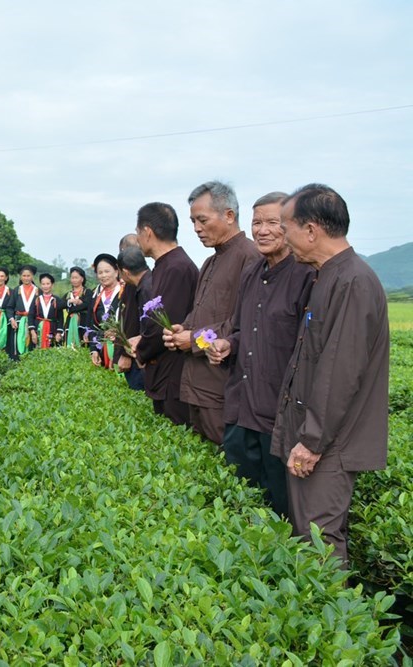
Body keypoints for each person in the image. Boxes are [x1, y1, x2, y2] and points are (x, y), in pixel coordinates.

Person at [270, 184, 389, 567]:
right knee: (306, 533)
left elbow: (340, 371)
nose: (283, 238)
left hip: (331, 442)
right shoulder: (328, 276)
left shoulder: (352, 281)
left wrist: (311, 440)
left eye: (286, 228)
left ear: (311, 230)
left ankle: (334, 620)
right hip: (318, 435)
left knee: (319, 538)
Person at [204, 193, 314, 517]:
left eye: (272, 222)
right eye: (256, 222)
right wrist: (228, 345)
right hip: (241, 409)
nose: (262, 230)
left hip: (278, 418)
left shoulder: (305, 276)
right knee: (244, 504)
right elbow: (241, 330)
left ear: (290, 227)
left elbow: (308, 350)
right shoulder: (252, 272)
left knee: (282, 509)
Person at [163, 181, 260, 446]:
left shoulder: (250, 257)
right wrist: (181, 330)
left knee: (227, 464)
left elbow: (244, 324)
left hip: (222, 385)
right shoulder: (210, 260)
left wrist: (193, 340)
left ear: (229, 215)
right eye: (193, 221)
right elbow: (201, 313)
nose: (196, 229)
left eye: (202, 220)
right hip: (197, 384)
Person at [134, 202, 199, 426]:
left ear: (147, 232)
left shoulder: (176, 267)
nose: (137, 238)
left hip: (173, 373)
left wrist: (140, 351)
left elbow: (165, 324)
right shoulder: (164, 265)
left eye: (137, 232)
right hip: (162, 370)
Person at [116, 247, 151, 391]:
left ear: (124, 271)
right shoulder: (147, 283)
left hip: (141, 358)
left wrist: (128, 354)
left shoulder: (145, 288)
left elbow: (142, 324)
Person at [89, 253, 124, 368]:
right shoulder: (96, 297)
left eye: (107, 271)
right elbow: (94, 326)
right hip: (103, 354)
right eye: (100, 272)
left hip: (122, 352)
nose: (103, 275)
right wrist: (94, 350)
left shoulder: (125, 293)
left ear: (116, 272)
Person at [10, 264, 39, 359]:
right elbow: (9, 307)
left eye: (28, 275)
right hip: (18, 322)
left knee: (32, 345)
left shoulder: (38, 291)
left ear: (32, 277)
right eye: (24, 276)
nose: (26, 278)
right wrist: (12, 319)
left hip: (33, 323)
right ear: (20, 277)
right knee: (18, 344)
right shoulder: (16, 290)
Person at [28, 273, 63, 348]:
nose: (45, 286)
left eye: (48, 283)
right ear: (40, 285)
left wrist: (59, 333)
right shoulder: (36, 299)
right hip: (38, 329)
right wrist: (32, 332)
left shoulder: (57, 300)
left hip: (53, 329)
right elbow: (30, 316)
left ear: (52, 285)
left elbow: (61, 318)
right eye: (43, 284)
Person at [62, 266, 93, 349]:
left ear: (82, 279)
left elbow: (87, 305)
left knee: (83, 345)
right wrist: (70, 301)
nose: (74, 280)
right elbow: (61, 305)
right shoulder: (68, 294)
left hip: (83, 323)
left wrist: (71, 309)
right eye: (72, 278)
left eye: (76, 277)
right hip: (70, 322)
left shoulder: (88, 292)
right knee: (70, 346)